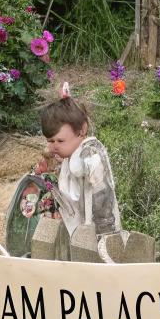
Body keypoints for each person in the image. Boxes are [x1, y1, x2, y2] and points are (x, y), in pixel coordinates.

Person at [38, 92, 123, 243]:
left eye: (60, 140)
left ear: (82, 131)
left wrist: (105, 236)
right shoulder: (69, 156)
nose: (54, 146)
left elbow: (103, 196)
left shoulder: (91, 154)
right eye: (50, 141)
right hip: (79, 235)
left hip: (100, 233)